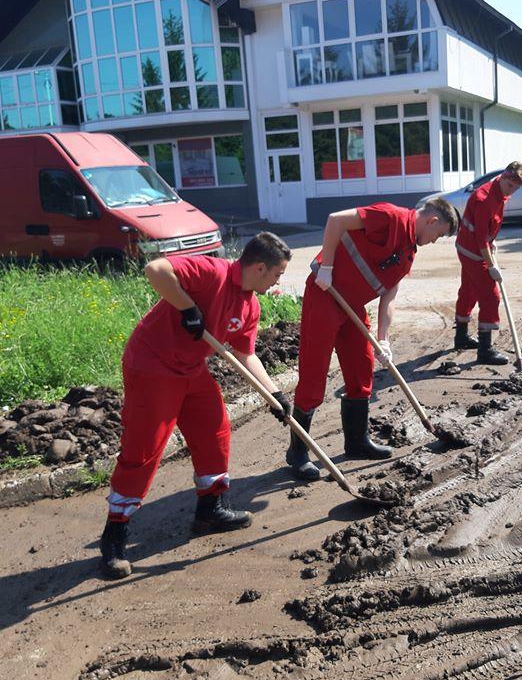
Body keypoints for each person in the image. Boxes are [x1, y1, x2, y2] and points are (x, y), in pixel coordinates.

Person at [99, 232, 293, 579]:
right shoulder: (212, 272)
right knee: (144, 448)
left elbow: (245, 354)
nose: (279, 280)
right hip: (152, 364)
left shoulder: (250, 304)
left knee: (213, 429)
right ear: (261, 268)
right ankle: (114, 534)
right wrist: (187, 307)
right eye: (278, 273)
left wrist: (274, 394)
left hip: (190, 368)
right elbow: (155, 269)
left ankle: (211, 508)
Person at [286, 197, 458, 481]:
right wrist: (326, 266)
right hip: (325, 294)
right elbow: (336, 219)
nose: (434, 240)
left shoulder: (408, 252)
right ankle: (298, 451)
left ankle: (356, 442)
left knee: (361, 368)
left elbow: (388, 298)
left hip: (352, 306)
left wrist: (384, 340)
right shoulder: (390, 216)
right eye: (438, 235)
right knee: (314, 374)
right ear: (432, 221)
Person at [453, 161, 522, 364]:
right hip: (472, 252)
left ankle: (461, 337)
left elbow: (486, 229)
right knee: (490, 296)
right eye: (510, 186)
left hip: (469, 247)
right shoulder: (484, 198)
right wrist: (492, 266)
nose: (512, 191)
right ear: (504, 175)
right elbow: (479, 239)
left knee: (469, 290)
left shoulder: (499, 193)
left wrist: (491, 239)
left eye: (516, 188)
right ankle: (485, 351)